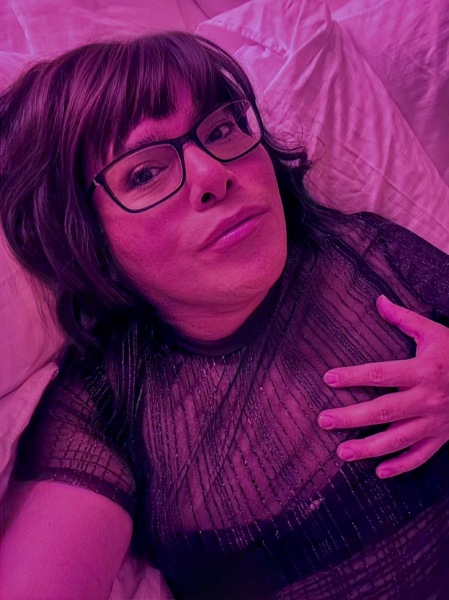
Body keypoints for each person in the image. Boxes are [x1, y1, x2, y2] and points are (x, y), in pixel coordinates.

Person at [0, 32, 448, 600]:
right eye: (145, 173)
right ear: (85, 235)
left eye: (220, 131)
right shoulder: (107, 408)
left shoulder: (370, 255)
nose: (214, 175)